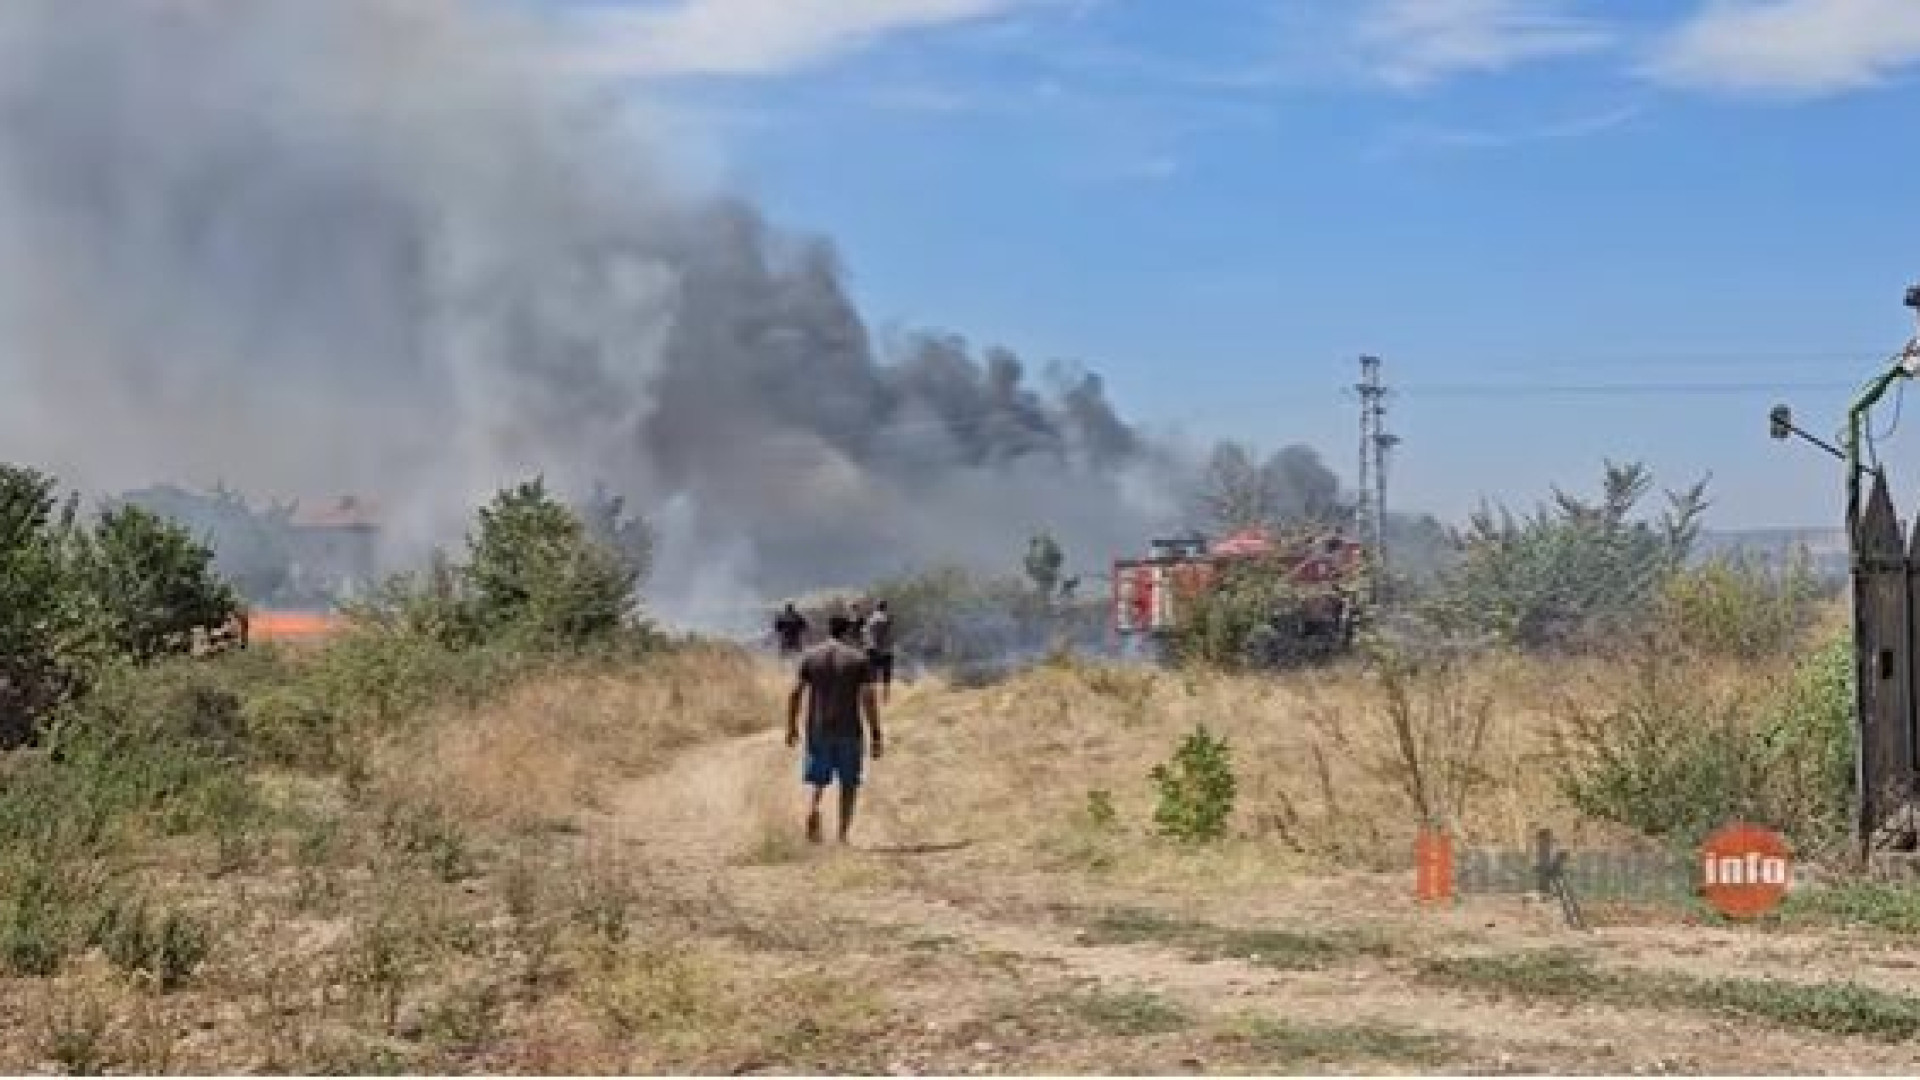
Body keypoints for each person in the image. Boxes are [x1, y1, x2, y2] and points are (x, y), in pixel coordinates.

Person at [787, 613, 884, 844]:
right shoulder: (858, 660)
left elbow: (794, 693)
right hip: (849, 730)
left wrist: (790, 726)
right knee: (849, 784)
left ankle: (814, 808)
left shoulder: (811, 657)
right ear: (849, 632)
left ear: (829, 629)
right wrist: (876, 734)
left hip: (818, 729)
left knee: (819, 780)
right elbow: (868, 700)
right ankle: (842, 836)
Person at [864, 599, 895, 703]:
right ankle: (885, 699)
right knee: (886, 676)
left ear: (876, 607)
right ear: (885, 607)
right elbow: (888, 635)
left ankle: (872, 698)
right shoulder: (886, 618)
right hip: (885, 651)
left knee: (872, 676)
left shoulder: (870, 619)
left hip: (872, 649)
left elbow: (867, 634)